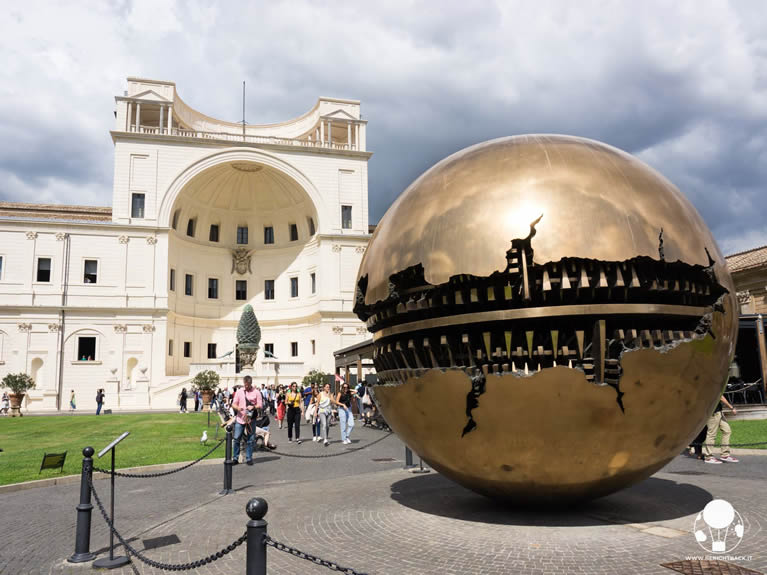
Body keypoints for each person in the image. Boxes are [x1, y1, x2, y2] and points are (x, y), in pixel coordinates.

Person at [231, 375, 263, 466]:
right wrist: (238, 408)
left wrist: (253, 407)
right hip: (240, 418)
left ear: (251, 383)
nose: (246, 387)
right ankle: (235, 458)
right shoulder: (239, 392)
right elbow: (233, 404)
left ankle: (249, 458)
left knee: (250, 439)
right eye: (245, 385)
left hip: (251, 419)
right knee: (237, 438)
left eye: (248, 385)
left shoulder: (256, 392)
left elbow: (260, 404)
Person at [703, 395, 739, 464]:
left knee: (727, 431)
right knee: (711, 434)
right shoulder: (712, 384)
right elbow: (720, 397)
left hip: (718, 411)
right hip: (713, 412)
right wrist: (731, 408)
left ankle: (725, 455)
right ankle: (708, 457)